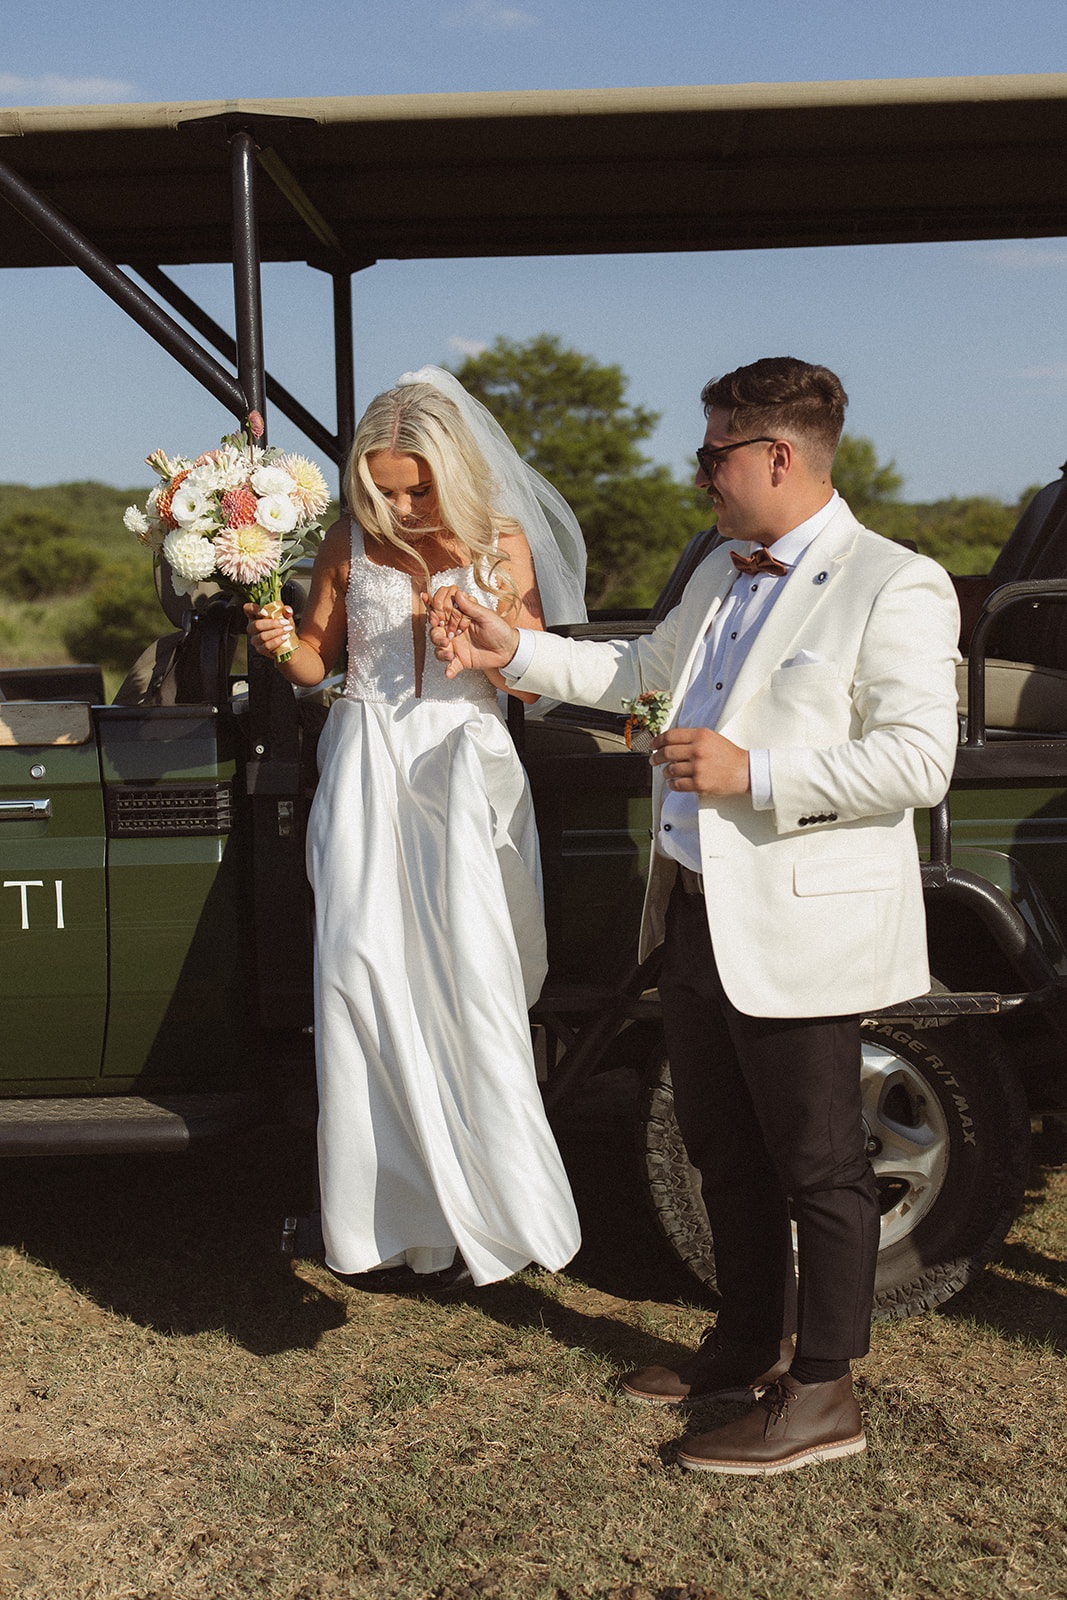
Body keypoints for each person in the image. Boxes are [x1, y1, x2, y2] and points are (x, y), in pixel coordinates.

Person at [429, 356, 960, 1471]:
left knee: (818, 1164)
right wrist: (508, 650)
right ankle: (739, 1344)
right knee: (720, 1148)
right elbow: (641, 674)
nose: (699, 474)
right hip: (694, 910)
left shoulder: (894, 581)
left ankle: (823, 1395)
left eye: (712, 452)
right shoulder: (722, 569)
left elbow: (919, 759)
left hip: (800, 925)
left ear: (776, 453)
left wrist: (751, 772)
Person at [246, 366, 585, 1290]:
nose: (398, 505)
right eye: (382, 488)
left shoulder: (498, 543)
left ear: (453, 473)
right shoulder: (347, 539)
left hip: (460, 769)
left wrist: (485, 628)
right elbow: (319, 660)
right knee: (359, 969)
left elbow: (529, 678)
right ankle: (385, 1221)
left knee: (468, 975)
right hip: (362, 768)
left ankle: (495, 1210)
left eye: (416, 488)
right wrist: (283, 648)